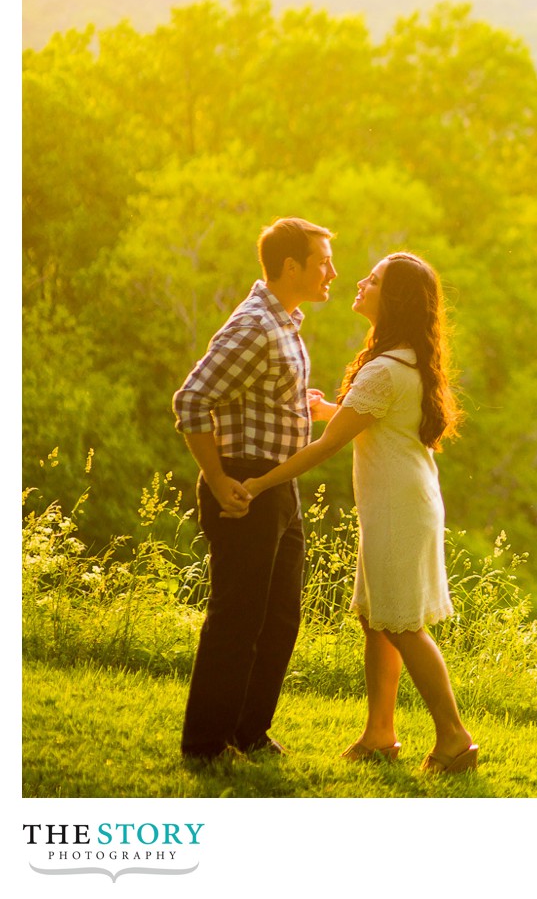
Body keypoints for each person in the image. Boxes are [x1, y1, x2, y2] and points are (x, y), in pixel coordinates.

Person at [244, 251, 479, 773]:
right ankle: (379, 735)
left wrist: (260, 482)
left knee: (401, 624)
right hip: (402, 502)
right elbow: (379, 420)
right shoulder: (406, 359)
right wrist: (333, 409)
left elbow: (327, 446)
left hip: (398, 507)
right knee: (379, 621)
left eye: (371, 280)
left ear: (389, 298)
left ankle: (455, 739)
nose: (359, 282)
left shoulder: (384, 369)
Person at [173, 216, 337, 763]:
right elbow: (191, 400)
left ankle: (248, 732)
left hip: (278, 487)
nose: (332, 272)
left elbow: (254, 392)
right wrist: (218, 480)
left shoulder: (285, 320)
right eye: (322, 263)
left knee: (279, 617)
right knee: (237, 619)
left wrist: (295, 402)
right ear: (291, 266)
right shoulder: (255, 326)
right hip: (244, 485)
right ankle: (204, 744)